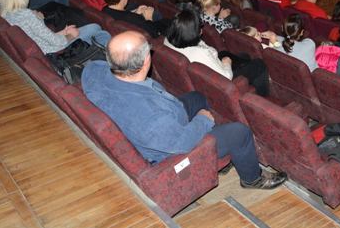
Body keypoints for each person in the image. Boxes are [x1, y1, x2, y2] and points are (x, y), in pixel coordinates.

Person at [82, 31, 287, 189]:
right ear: (146, 62)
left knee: (197, 98)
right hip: (171, 147)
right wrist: (202, 120)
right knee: (240, 132)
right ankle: (252, 178)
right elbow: (180, 142)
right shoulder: (151, 119)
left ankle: (218, 155)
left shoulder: (94, 69)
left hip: (161, 116)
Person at [165, 10, 271, 96]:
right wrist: (227, 62)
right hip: (222, 77)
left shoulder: (168, 40)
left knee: (242, 55)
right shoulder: (201, 53)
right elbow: (226, 76)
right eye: (198, 28)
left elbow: (204, 49)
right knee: (259, 64)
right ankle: (263, 95)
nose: (201, 30)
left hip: (210, 64)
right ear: (191, 33)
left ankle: (252, 77)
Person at [0, 0, 110, 54]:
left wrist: (64, 31)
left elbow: (41, 36)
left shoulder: (5, 14)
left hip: (46, 46)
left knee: (94, 31)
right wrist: (71, 35)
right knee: (97, 29)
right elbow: (56, 42)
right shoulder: (27, 15)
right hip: (55, 51)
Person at [101, 0, 171, 38]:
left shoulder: (104, 10)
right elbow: (154, 34)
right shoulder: (135, 19)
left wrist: (135, 12)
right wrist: (148, 18)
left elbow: (122, 15)